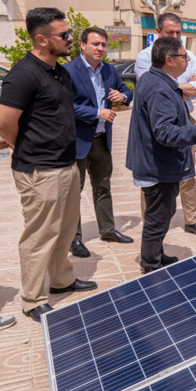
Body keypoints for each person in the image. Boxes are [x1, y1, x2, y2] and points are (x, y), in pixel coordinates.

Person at [0, 7, 97, 322]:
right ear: (41, 39)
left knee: (64, 231)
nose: (70, 38)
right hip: (39, 170)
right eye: (63, 35)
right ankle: (33, 299)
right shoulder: (23, 75)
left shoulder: (59, 72)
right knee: (40, 235)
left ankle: (61, 279)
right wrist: (19, 142)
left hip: (66, 165)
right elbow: (3, 122)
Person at [126, 37, 196, 274]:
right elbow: (165, 132)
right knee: (157, 218)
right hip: (158, 166)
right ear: (169, 60)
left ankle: (157, 255)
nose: (188, 59)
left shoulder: (155, 79)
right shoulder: (160, 88)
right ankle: (150, 266)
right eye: (183, 56)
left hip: (158, 164)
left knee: (164, 213)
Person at [134, 12, 196, 238]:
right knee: (153, 177)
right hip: (156, 124)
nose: (177, 37)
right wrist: (184, 86)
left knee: (188, 173)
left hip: (186, 120)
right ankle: (152, 225)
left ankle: (191, 220)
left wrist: (177, 86)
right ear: (158, 32)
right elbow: (154, 87)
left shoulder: (188, 54)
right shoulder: (144, 57)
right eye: (171, 33)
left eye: (179, 32)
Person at [64, 27, 135, 258]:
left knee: (103, 187)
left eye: (104, 45)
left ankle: (107, 230)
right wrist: (97, 113)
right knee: (74, 191)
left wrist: (122, 96)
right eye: (96, 44)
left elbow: (126, 90)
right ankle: (73, 240)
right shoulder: (68, 71)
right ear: (82, 45)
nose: (101, 48)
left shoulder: (109, 70)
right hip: (78, 142)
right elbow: (65, 106)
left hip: (103, 140)